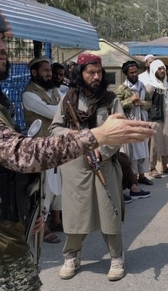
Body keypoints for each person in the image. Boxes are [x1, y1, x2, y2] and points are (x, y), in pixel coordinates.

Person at [0, 3, 153, 290]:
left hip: (6, 234)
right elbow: (23, 155)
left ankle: (116, 256)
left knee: (109, 217)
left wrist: (25, 210)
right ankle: (71, 256)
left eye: (2, 38)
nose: (3, 47)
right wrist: (98, 135)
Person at [49, 53, 147, 281]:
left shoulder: (110, 99)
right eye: (90, 72)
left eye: (99, 72)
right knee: (75, 214)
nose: (96, 76)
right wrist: (77, 136)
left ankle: (116, 257)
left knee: (109, 211)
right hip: (75, 166)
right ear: (80, 74)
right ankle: (71, 256)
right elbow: (54, 130)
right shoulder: (68, 100)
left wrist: (101, 152)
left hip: (104, 163)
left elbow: (121, 130)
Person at [22, 57, 64, 243]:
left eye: (50, 70)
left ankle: (56, 220)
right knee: (45, 188)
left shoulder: (53, 90)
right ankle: (43, 227)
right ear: (34, 73)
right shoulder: (28, 94)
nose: (50, 73)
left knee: (59, 185)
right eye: (45, 70)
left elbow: (64, 105)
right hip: (41, 149)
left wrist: (62, 107)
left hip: (57, 146)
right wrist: (63, 107)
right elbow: (54, 112)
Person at [115, 60, 154, 187]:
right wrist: (131, 100)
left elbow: (150, 103)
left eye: (136, 72)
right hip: (130, 122)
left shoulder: (142, 86)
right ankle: (133, 177)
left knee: (143, 150)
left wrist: (142, 103)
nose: (134, 74)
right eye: (131, 72)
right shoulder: (122, 88)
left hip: (142, 121)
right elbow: (117, 105)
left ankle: (142, 175)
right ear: (126, 74)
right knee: (132, 151)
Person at [146, 59, 168, 178]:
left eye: (163, 68)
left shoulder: (166, 85)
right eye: (159, 69)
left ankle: (164, 166)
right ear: (154, 70)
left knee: (167, 141)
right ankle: (152, 167)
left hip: (167, 115)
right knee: (154, 143)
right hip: (155, 118)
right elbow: (146, 104)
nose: (162, 70)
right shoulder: (150, 87)